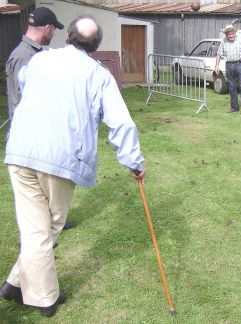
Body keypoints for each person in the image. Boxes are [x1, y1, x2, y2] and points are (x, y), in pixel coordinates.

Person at [0, 16, 146, 317]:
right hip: (58, 158)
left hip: (20, 151)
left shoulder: (39, 62)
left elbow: (24, 84)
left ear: (69, 37)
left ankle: (14, 284)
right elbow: (121, 121)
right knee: (47, 227)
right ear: (96, 46)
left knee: (33, 228)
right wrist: (134, 162)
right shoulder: (97, 74)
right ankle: (45, 298)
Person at [5, 7, 75, 231]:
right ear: (47, 28)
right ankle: (32, 240)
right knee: (33, 193)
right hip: (30, 133)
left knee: (47, 184)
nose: (53, 33)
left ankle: (51, 223)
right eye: (53, 29)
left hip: (40, 130)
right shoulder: (24, 56)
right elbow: (23, 98)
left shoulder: (34, 53)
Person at [214, 24, 241, 114]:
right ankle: (234, 107)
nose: (230, 35)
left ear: (235, 32)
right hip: (229, 65)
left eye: (232, 33)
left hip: (240, 64)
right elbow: (219, 54)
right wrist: (217, 65)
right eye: (228, 34)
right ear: (226, 34)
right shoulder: (224, 41)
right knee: (232, 87)